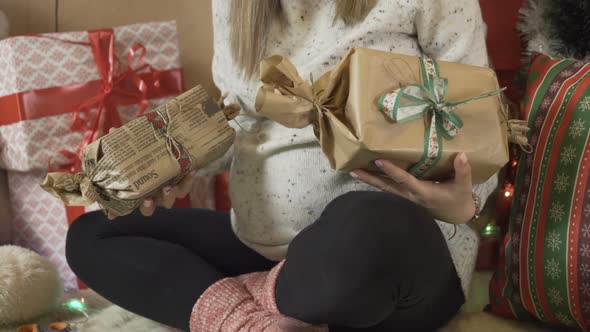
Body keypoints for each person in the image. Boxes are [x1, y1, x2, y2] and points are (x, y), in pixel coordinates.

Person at [65, 1, 498, 331]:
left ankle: (239, 300)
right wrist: (180, 163)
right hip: (260, 246)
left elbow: (479, 117)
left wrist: (464, 204)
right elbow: (243, 122)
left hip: (391, 253)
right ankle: (254, 320)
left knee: (367, 225)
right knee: (92, 232)